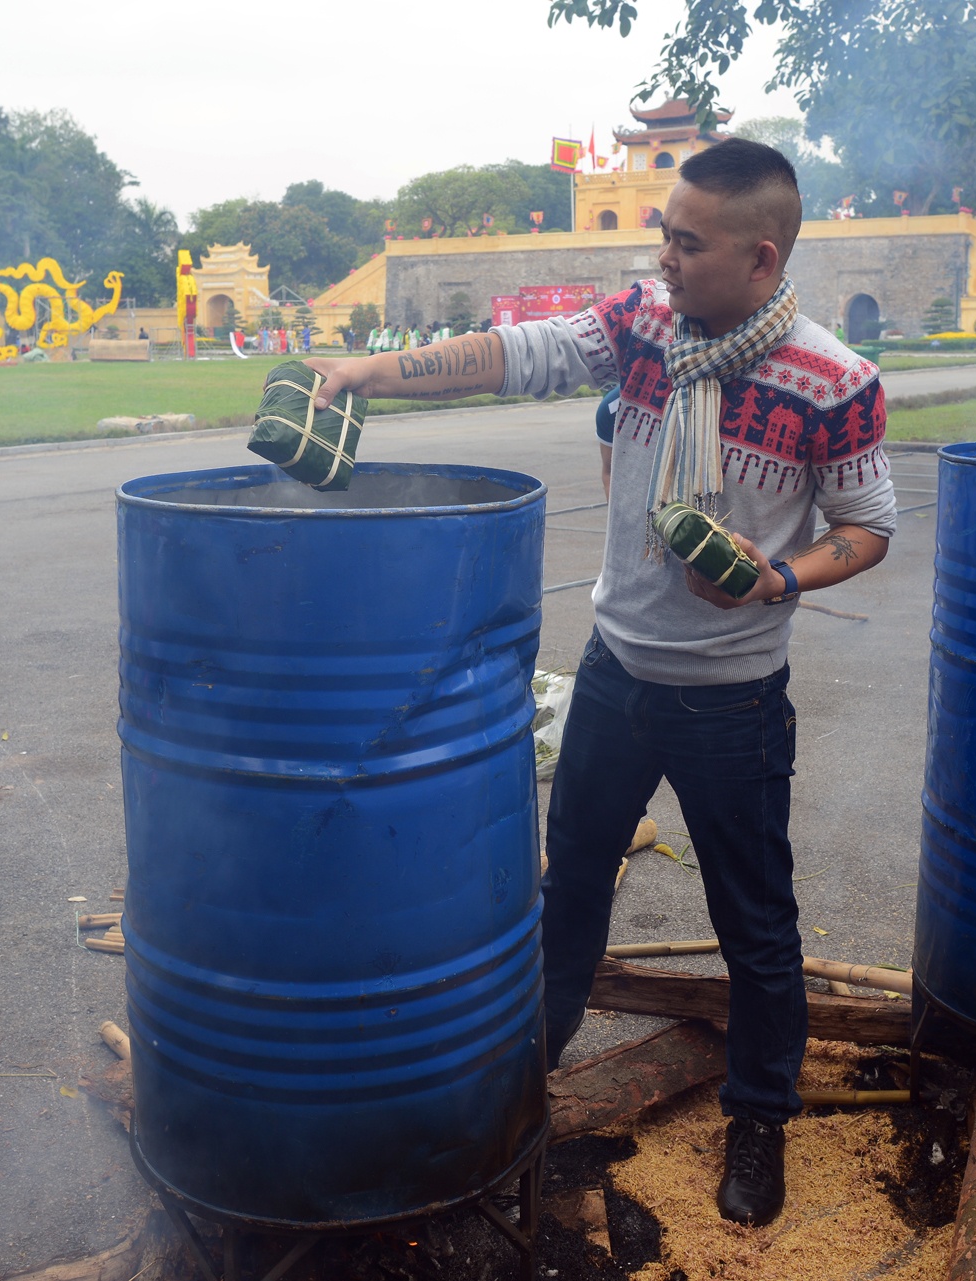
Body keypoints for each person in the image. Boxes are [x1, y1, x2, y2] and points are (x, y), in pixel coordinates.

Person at [304, 138, 894, 1230]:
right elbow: (513, 353)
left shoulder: (835, 382)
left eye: (686, 242)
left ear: (761, 257)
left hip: (734, 699)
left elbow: (868, 528)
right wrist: (366, 375)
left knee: (755, 925)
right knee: (568, 891)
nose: (661, 257)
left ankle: (759, 1117)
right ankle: (527, 1080)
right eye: (662, 232)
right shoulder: (640, 327)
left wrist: (777, 578)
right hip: (619, 674)